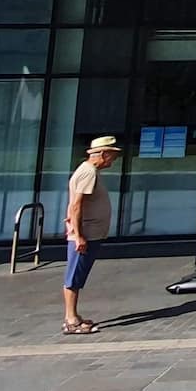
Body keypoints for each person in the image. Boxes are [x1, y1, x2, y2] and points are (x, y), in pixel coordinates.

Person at [63, 134, 121, 334]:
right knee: (74, 276)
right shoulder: (89, 173)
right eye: (112, 155)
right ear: (103, 154)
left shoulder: (89, 171)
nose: (113, 160)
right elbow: (77, 204)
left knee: (77, 275)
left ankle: (74, 316)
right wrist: (78, 234)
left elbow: (75, 205)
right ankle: (71, 319)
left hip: (88, 232)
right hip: (86, 234)